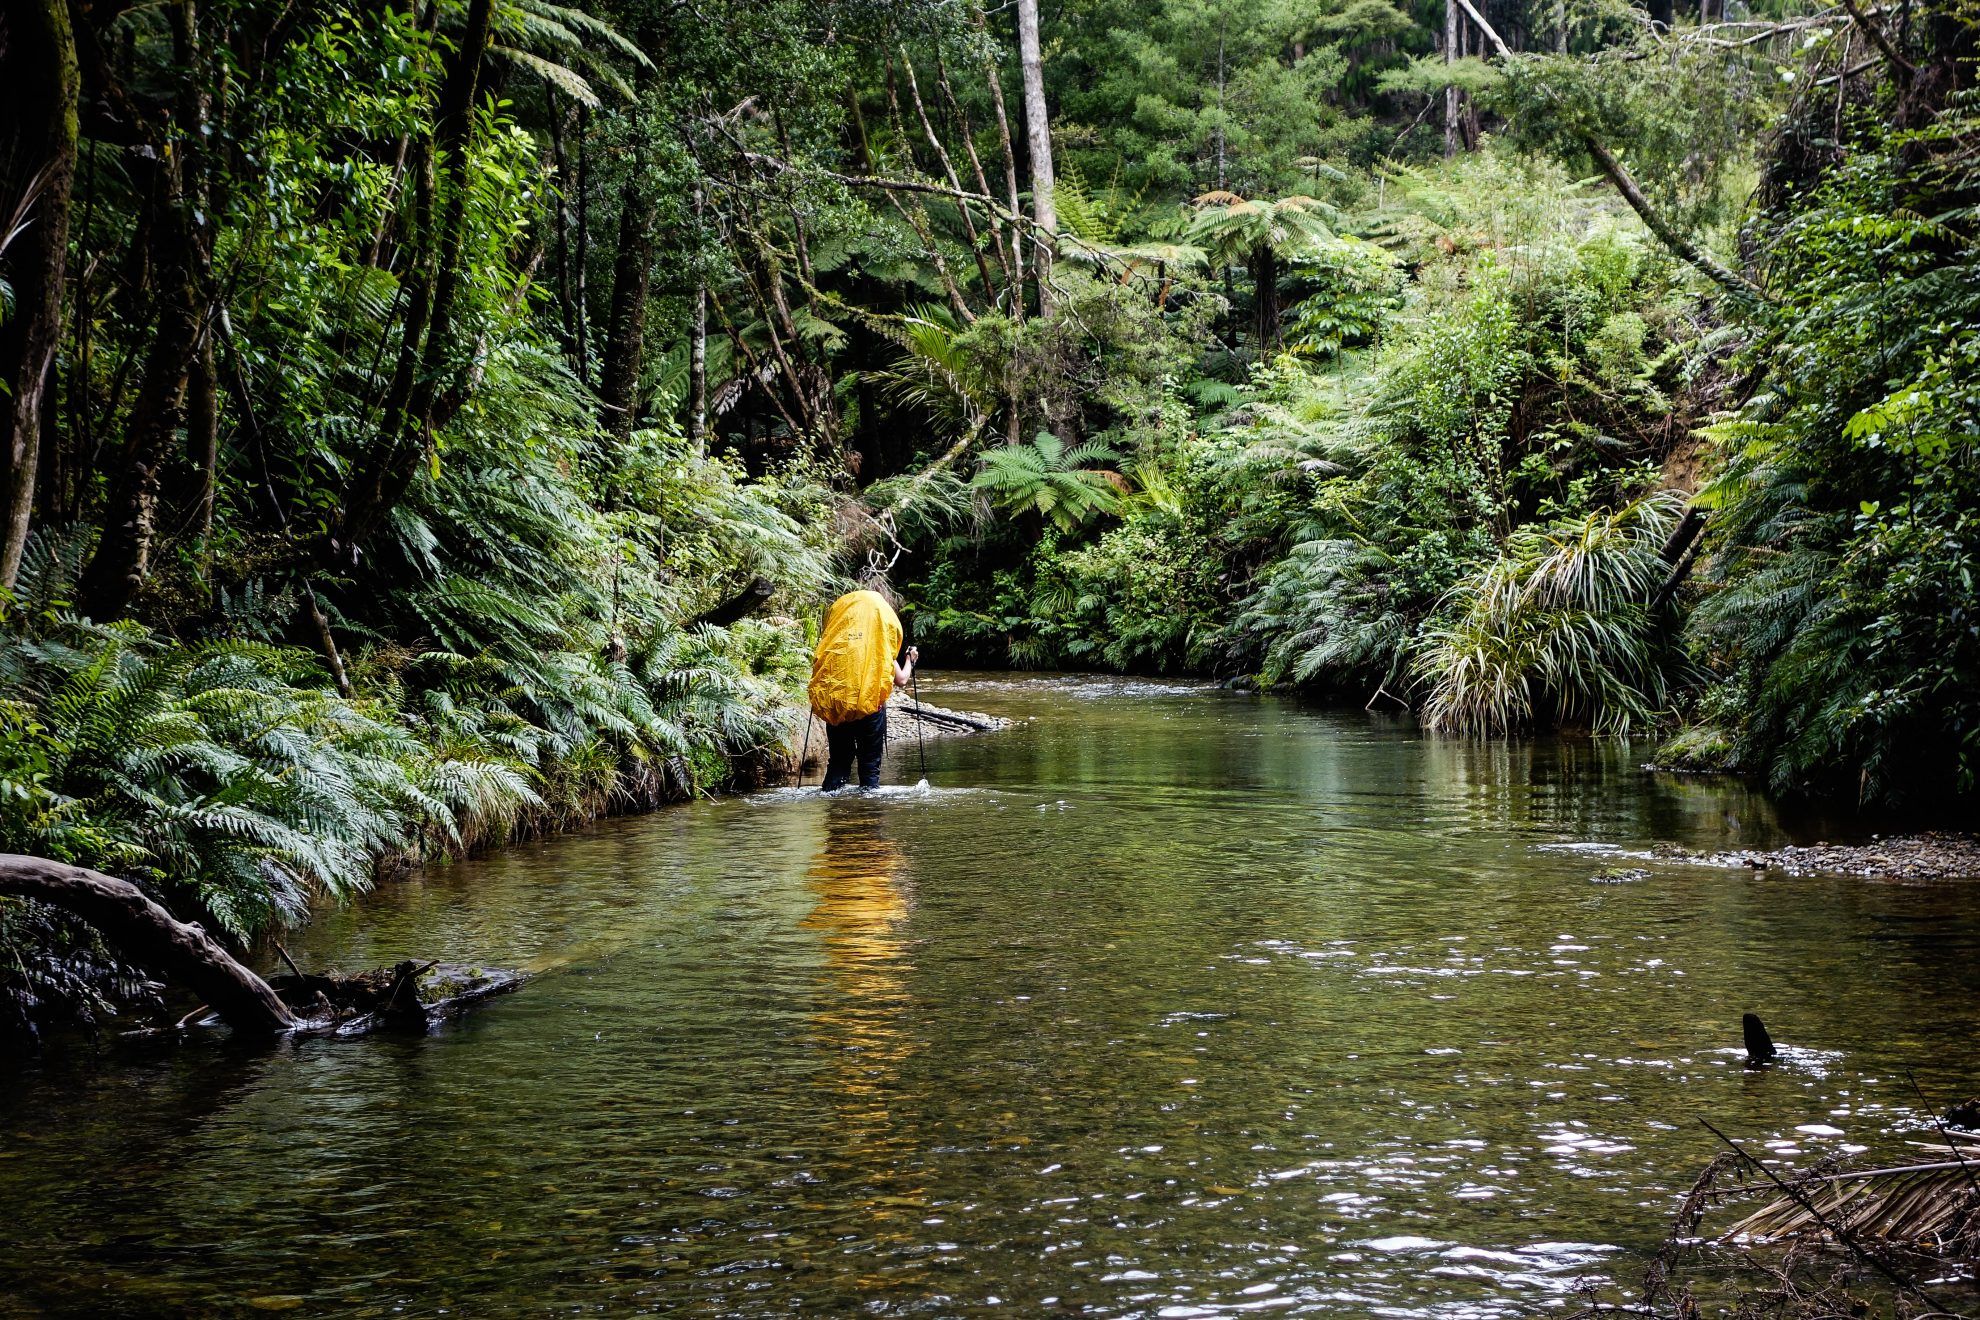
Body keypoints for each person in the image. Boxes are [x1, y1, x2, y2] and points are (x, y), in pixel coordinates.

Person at [808, 588, 919, 790]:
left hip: (838, 710)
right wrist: (910, 660)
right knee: (869, 768)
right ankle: (868, 813)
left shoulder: (836, 643)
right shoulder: (879, 646)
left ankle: (833, 810)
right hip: (870, 712)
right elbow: (901, 679)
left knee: (839, 764)